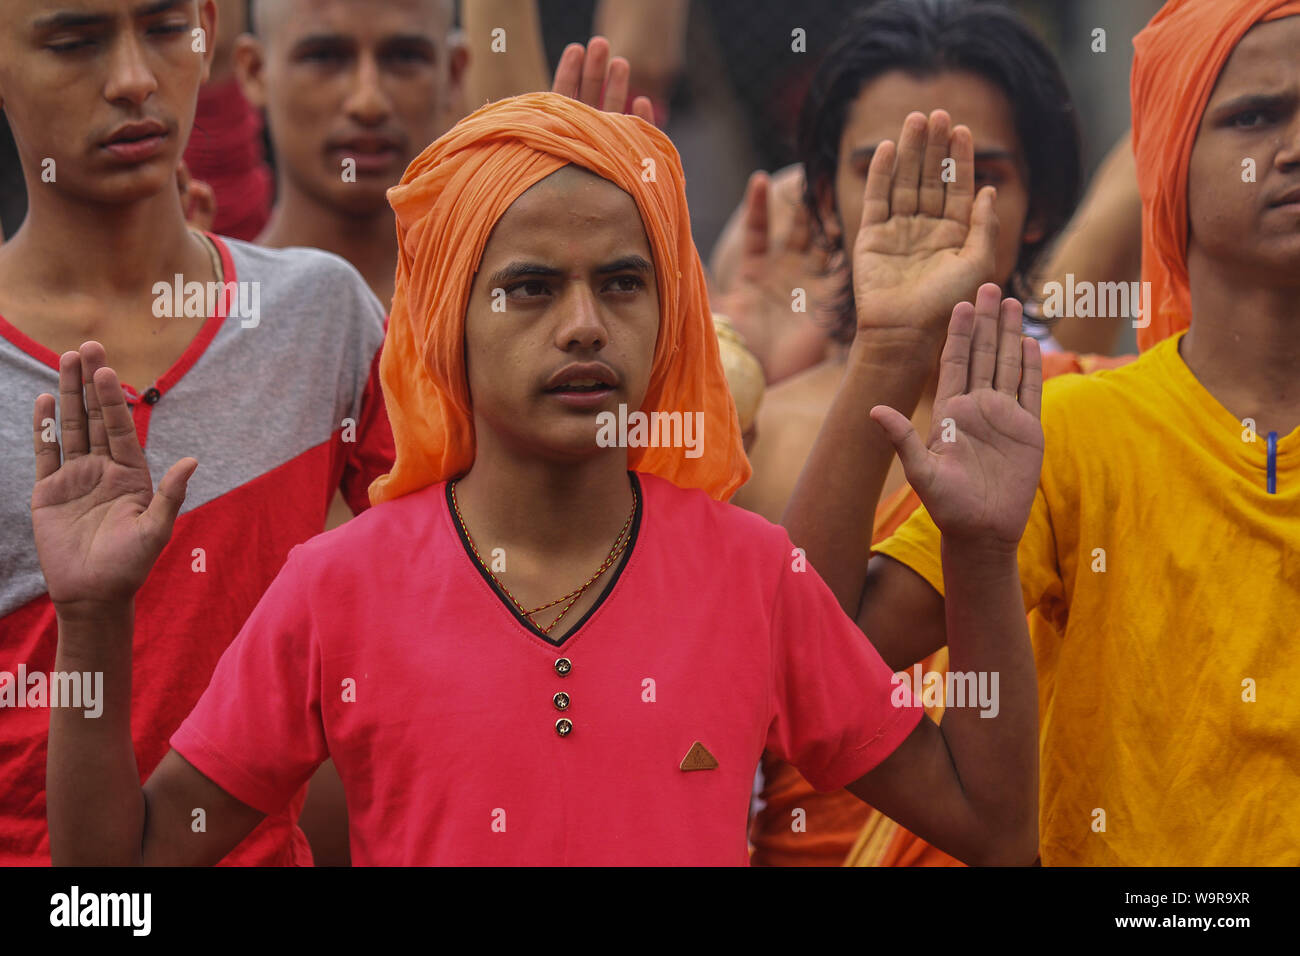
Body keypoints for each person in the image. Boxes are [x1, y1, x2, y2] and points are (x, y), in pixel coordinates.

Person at [39, 92, 1043, 867]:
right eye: (528, 286)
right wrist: (90, 617)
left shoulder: (749, 570)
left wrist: (985, 552)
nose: (583, 324)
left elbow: (992, 827)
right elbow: (112, 880)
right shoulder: (337, 586)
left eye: (620, 282)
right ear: (444, 325)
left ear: (669, 317)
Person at [785, 0, 1300, 865]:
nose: (1294, 148)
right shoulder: (1075, 430)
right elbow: (814, 647)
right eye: (1253, 117)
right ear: (1167, 161)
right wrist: (890, 348)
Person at [0, 0, 392, 865]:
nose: (135, 78)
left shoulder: (320, 318)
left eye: (167, 29)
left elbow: (487, 568)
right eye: (74, 41)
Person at [733, 0, 1111, 867]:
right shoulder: (748, 433)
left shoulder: (1098, 411)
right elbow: (792, 671)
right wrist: (890, 353)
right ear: (822, 197)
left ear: (1044, 206)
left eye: (985, 175)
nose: (944, 208)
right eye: (888, 170)